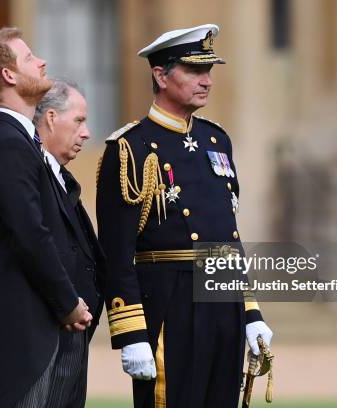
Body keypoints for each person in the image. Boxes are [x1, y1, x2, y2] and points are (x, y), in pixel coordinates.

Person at [96, 24, 274, 408]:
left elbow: (229, 238)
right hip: (169, 307)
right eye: (194, 70)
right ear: (160, 75)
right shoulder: (131, 148)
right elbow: (115, 253)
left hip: (221, 306)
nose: (206, 81)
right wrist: (130, 333)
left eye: (209, 70)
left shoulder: (217, 140)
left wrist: (250, 312)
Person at [0, 28, 92, 408]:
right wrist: (68, 302)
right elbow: (31, 232)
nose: (42, 62)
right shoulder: (6, 141)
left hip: (39, 328)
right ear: (9, 76)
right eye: (30, 57)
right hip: (23, 339)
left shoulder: (19, 141)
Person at [32, 77, 107, 407]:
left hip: (71, 335)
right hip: (43, 337)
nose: (87, 133)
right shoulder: (31, 172)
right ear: (50, 118)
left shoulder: (60, 178)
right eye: (78, 121)